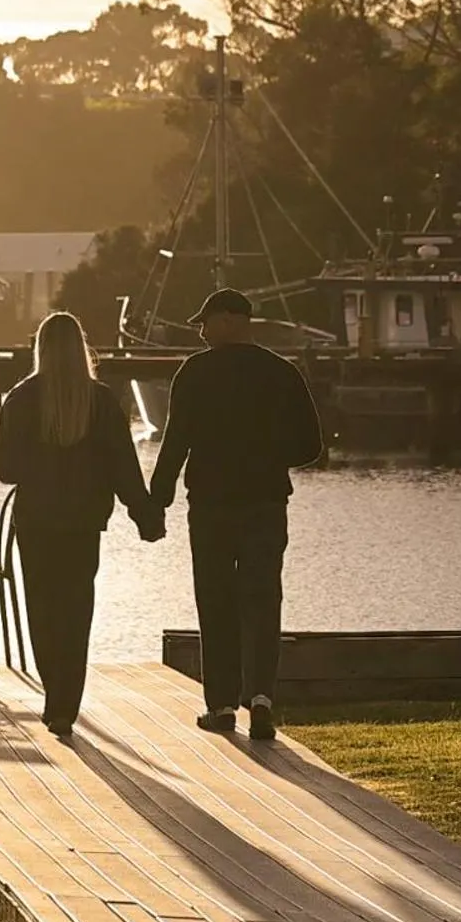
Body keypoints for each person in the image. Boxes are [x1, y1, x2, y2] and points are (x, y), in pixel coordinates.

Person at [149, 288, 324, 740]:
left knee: (216, 601)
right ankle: (262, 698)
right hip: (266, 504)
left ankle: (222, 705)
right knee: (263, 598)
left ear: (230, 320)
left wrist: (156, 501)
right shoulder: (283, 373)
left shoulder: (195, 373)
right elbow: (311, 446)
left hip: (210, 507)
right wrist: (269, 459)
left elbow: (175, 444)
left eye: (205, 322)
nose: (202, 333)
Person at [0, 312, 164, 738]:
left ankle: (54, 696)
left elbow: (3, 467)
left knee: (43, 609)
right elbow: (124, 467)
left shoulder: (21, 398)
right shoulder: (102, 401)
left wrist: (37, 462)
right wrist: (145, 515)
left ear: (42, 350)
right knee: (77, 611)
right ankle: (67, 703)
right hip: (84, 522)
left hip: (36, 522)